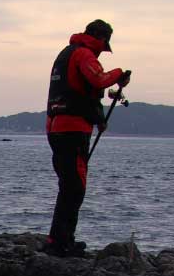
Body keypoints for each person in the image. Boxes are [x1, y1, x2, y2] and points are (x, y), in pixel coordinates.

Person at [45, 19, 131, 257]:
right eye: (104, 46)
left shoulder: (66, 54)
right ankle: (61, 244)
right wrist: (118, 74)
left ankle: (59, 239)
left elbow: (84, 94)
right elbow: (98, 80)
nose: (102, 51)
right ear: (102, 39)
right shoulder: (83, 55)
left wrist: (98, 119)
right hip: (72, 130)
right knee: (75, 187)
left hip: (56, 127)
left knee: (68, 186)